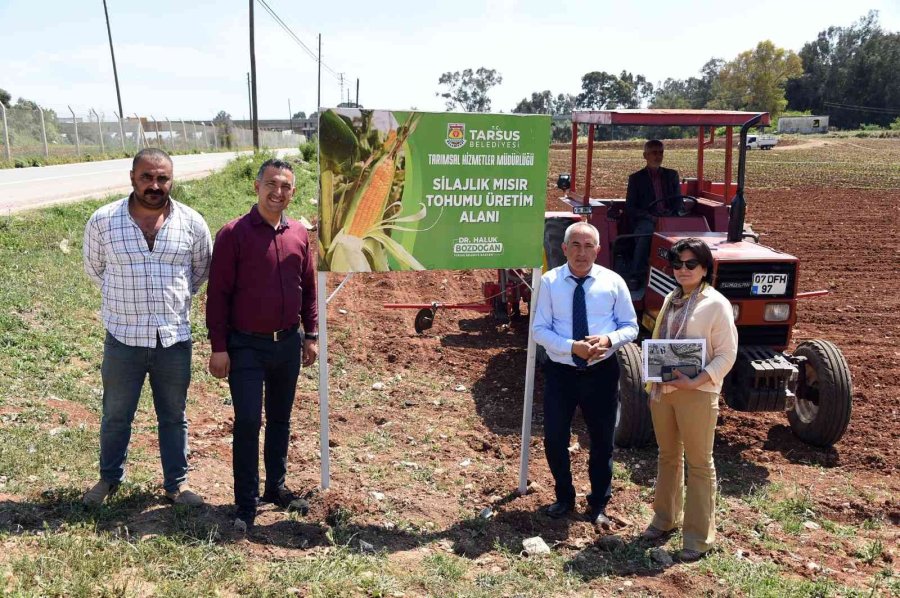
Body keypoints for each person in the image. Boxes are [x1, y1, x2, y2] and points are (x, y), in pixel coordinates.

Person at [82, 148, 212, 507]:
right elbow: (96, 269)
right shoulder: (104, 221)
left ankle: (177, 484)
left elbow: (199, 273)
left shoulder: (192, 223)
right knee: (116, 414)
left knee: (174, 415)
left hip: (173, 339)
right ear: (132, 177)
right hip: (123, 338)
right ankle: (109, 479)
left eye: (162, 178)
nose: (154, 185)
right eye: (147, 177)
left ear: (171, 179)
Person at [206, 158, 318, 530]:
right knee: (249, 421)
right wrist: (219, 347)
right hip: (245, 347)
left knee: (281, 420)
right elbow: (218, 295)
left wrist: (311, 335)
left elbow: (309, 289)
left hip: (287, 343)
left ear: (293, 192)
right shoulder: (233, 233)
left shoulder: (299, 233)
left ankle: (275, 487)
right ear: (257, 186)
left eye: (286, 186)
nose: (278, 192)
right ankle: (245, 502)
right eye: (272, 184)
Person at [532, 221, 639, 528]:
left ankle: (599, 504)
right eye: (575, 246)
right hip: (561, 373)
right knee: (554, 438)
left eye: (588, 246)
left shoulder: (613, 282)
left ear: (598, 249)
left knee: (602, 441)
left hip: (601, 373)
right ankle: (564, 497)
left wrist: (608, 340)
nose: (582, 253)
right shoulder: (550, 283)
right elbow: (539, 330)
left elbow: (630, 326)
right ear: (564, 249)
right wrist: (571, 347)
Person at [640, 237, 738, 562]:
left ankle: (698, 538)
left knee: (699, 464)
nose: (683, 269)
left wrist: (696, 379)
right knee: (667, 456)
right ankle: (664, 519)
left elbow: (727, 354)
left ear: (705, 268)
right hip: (664, 391)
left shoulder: (716, 304)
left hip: (697, 394)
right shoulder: (671, 298)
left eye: (690, 264)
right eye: (678, 263)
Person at [624, 139, 681, 287]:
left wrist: (673, 214)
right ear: (645, 156)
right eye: (654, 153)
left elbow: (678, 201)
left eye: (661, 152)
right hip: (646, 219)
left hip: (669, 218)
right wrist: (650, 217)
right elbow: (631, 207)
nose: (658, 156)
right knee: (646, 234)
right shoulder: (636, 179)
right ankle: (635, 275)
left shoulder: (671, 175)